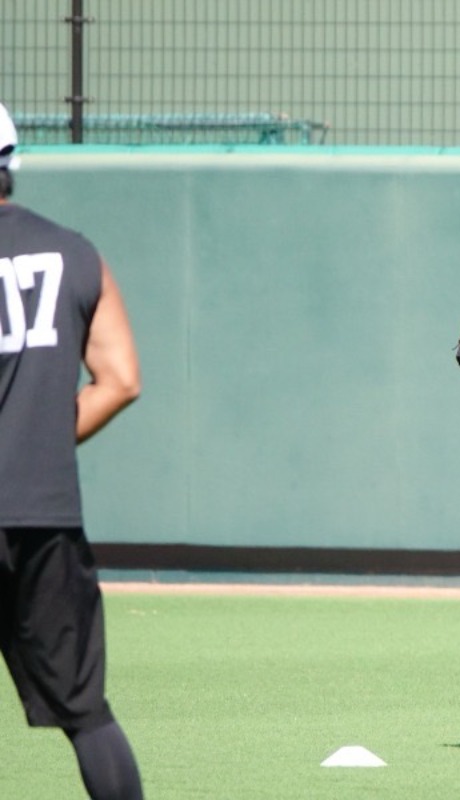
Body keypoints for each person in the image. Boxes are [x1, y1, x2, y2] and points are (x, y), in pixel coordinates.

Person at [0, 102, 145, 800]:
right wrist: (31, 440)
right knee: (87, 716)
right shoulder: (71, 251)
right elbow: (120, 381)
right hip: (41, 513)